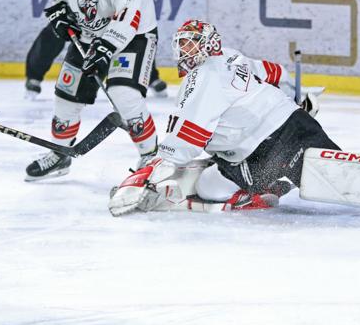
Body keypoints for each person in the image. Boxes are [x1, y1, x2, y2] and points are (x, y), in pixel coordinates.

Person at [107, 19, 337, 216]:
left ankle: (260, 190)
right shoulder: (231, 56)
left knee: (209, 188)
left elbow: (189, 134)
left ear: (209, 42)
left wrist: (153, 168)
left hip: (264, 151)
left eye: (192, 42)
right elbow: (274, 72)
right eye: (182, 43)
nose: (185, 49)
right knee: (337, 176)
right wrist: (296, 96)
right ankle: (276, 178)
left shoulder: (201, 77)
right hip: (300, 124)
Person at [25, 0, 161, 180]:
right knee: (66, 95)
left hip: (133, 36)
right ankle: (60, 154)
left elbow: (129, 17)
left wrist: (106, 46)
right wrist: (60, 9)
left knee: (124, 94)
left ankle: (151, 156)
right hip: (88, 31)